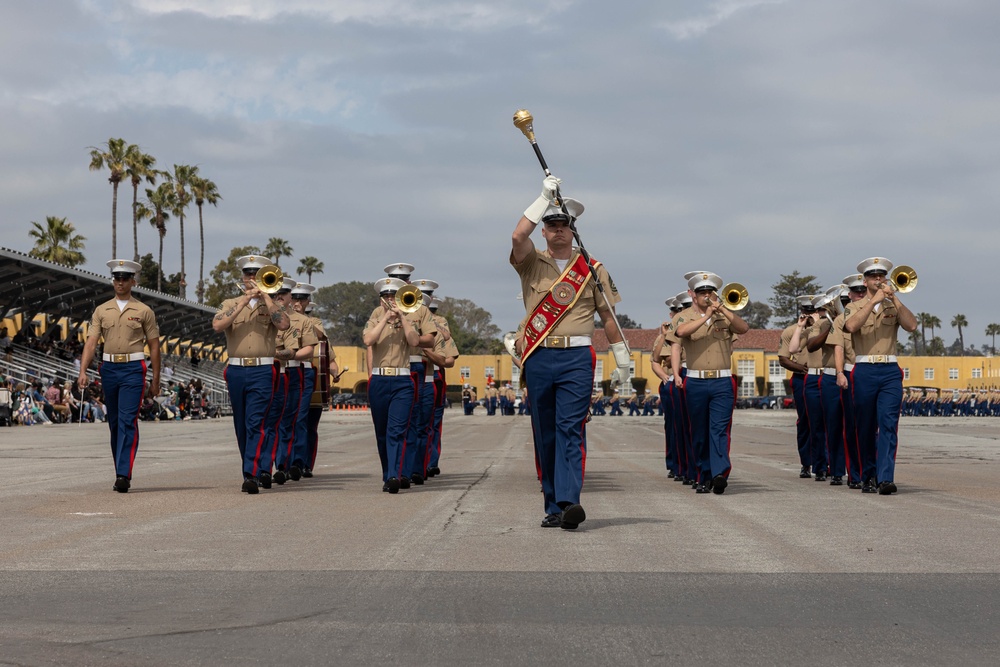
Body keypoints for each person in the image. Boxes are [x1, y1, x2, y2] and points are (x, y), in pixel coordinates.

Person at [511, 175, 628, 530]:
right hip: (540, 355)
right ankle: (552, 504)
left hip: (577, 357)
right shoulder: (531, 262)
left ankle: (570, 501)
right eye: (552, 224)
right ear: (543, 231)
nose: (559, 230)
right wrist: (541, 198)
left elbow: (607, 315)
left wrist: (621, 354)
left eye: (565, 224)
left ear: (574, 229)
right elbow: (518, 236)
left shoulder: (592, 268)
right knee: (545, 432)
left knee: (571, 429)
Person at [78, 259, 161, 492]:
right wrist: (83, 370)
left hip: (134, 369)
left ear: (133, 281)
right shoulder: (101, 310)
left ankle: (124, 474)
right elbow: (91, 342)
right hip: (109, 369)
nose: (120, 282)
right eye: (117, 278)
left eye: (125, 278)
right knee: (114, 422)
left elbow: (154, 346)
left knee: (127, 420)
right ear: (113, 280)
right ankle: (119, 469)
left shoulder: (144, 311)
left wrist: (156, 379)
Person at [212, 254, 290, 494]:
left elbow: (284, 324)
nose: (252, 279)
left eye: (257, 275)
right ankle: (251, 467)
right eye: (248, 275)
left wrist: (266, 296)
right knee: (241, 424)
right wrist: (244, 301)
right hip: (236, 369)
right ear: (242, 278)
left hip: (262, 369)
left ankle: (251, 473)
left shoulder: (271, 304)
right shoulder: (230, 303)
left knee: (255, 422)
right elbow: (217, 325)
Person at [668, 271, 749, 494]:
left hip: (722, 380)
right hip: (695, 381)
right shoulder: (683, 316)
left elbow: (743, 328)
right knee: (700, 432)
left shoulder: (724, 315)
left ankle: (719, 473)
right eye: (702, 293)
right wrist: (705, 317)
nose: (707, 296)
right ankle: (703, 474)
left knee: (719, 430)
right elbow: (681, 332)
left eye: (710, 292)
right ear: (692, 295)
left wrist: (722, 309)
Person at [843, 257, 918, 495]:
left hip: (889, 370)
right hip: (864, 369)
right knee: (865, 427)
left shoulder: (891, 305)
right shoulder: (853, 307)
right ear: (865, 281)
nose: (878, 280)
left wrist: (893, 298)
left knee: (888, 424)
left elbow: (912, 325)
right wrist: (873, 301)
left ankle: (886, 478)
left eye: (881, 276)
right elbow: (851, 327)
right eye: (874, 277)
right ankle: (868, 475)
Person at [363, 276, 436, 493]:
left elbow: (415, 342)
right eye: (385, 296)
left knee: (397, 431)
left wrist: (403, 317)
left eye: (392, 296)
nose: (389, 300)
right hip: (379, 378)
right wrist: (386, 317)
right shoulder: (376, 315)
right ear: (380, 299)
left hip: (403, 379)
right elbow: (368, 340)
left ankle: (395, 475)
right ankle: (388, 474)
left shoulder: (411, 314)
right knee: (382, 432)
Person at [829, 274, 866, 489]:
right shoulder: (841, 319)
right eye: (856, 291)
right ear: (849, 294)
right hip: (852, 373)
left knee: (872, 427)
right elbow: (839, 348)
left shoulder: (878, 312)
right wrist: (840, 372)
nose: (860, 294)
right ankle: (855, 474)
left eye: (864, 291)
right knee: (851, 427)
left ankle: (873, 472)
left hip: (873, 371)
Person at [789, 295, 828, 481]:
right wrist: (800, 326)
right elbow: (793, 349)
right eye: (809, 311)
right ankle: (819, 466)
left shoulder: (832, 325)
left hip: (830, 375)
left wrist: (825, 322)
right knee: (816, 425)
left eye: (817, 310)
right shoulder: (809, 331)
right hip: (812, 376)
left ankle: (834, 465)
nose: (813, 314)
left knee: (834, 425)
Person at [421, 294, 459, 478]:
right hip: (415, 373)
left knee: (434, 422)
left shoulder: (440, 326)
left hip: (435, 375)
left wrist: (435, 325)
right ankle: (418, 463)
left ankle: (431, 462)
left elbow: (450, 359)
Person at [777, 296, 815, 479]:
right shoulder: (791, 331)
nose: (809, 315)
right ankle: (806, 463)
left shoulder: (825, 328)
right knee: (805, 421)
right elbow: (783, 358)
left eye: (812, 311)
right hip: (802, 378)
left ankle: (826, 462)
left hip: (824, 376)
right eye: (806, 311)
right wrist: (801, 368)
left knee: (827, 421)